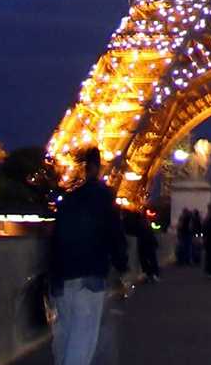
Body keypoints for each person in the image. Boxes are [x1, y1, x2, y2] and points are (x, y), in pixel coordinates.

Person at [49, 147, 128, 365]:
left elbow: (55, 239)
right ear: (99, 167)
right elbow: (115, 236)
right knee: (83, 339)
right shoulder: (105, 199)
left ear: (85, 169)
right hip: (90, 274)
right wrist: (121, 267)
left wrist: (53, 278)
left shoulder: (68, 200)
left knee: (64, 336)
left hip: (62, 277)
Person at [136, 211, 160, 282]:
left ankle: (150, 274)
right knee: (152, 259)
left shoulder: (141, 224)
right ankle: (154, 274)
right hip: (149, 244)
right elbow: (151, 234)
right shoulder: (147, 224)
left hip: (144, 244)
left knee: (145, 260)